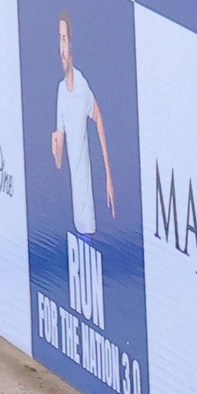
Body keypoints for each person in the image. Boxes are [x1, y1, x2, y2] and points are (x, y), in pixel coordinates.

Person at [50, 12, 112, 234]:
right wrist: (55, 146)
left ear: (72, 44)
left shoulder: (82, 86)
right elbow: (59, 162)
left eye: (64, 39)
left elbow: (99, 119)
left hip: (88, 207)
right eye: (59, 39)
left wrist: (109, 179)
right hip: (73, 208)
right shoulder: (60, 90)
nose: (61, 49)